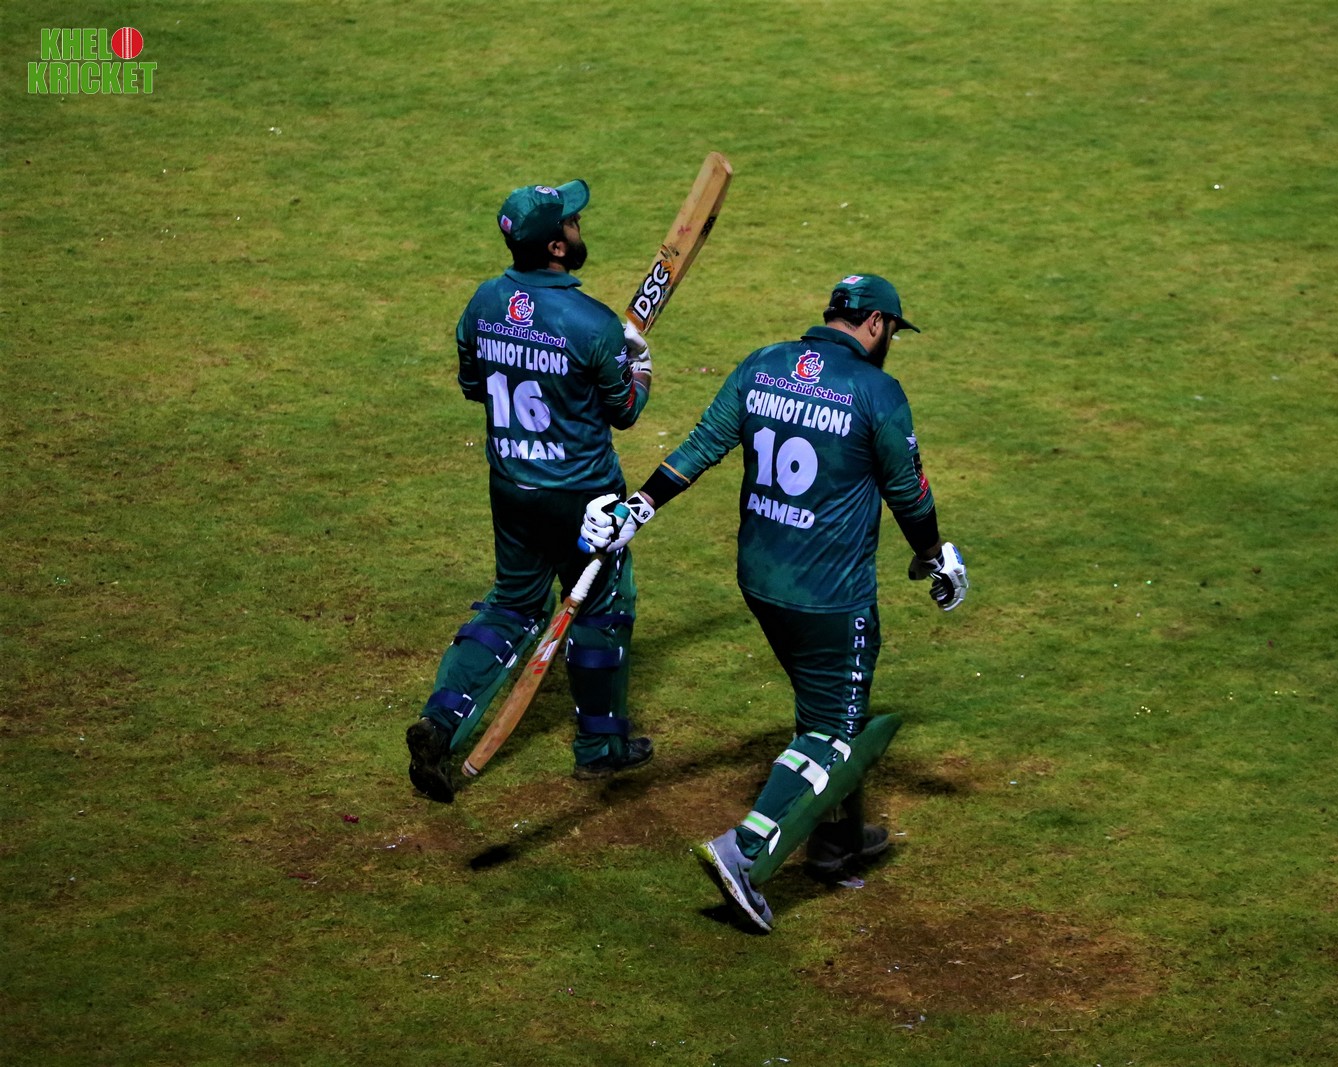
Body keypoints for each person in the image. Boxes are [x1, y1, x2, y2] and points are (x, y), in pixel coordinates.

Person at [581, 273, 968, 932]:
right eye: (892, 332)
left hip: (760, 581)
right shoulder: (876, 391)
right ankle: (746, 851)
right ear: (876, 324)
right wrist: (935, 556)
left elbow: (700, 446)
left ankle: (836, 840)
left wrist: (636, 508)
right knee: (837, 730)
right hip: (830, 595)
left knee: (824, 706)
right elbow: (908, 491)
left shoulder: (763, 364)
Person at [406, 179, 656, 803]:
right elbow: (625, 410)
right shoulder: (592, 322)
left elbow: (473, 384)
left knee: (511, 605)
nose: (578, 225)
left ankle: (440, 721)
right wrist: (638, 366)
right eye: (570, 221)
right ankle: (600, 748)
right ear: (556, 247)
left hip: (512, 488)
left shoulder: (484, 300)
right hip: (586, 497)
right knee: (602, 607)